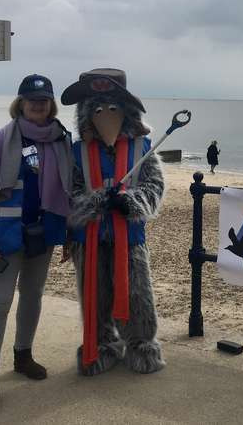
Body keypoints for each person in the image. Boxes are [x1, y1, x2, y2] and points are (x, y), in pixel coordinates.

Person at [0, 74, 72, 415]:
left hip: (44, 235)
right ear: (20, 102)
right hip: (6, 238)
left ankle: (23, 355)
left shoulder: (63, 141)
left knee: (33, 295)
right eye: (31, 98)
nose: (37, 103)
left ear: (51, 104)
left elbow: (69, 193)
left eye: (43, 98)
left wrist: (69, 235)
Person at [61, 68, 166, 376]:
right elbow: (69, 192)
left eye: (111, 108)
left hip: (130, 238)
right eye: (96, 109)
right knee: (94, 295)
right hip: (89, 240)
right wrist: (93, 203)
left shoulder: (141, 149)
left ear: (125, 111)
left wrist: (131, 201)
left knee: (137, 294)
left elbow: (154, 187)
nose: (104, 115)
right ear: (85, 115)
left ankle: (141, 344)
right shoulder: (77, 152)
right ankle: (100, 344)